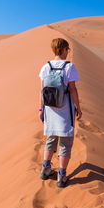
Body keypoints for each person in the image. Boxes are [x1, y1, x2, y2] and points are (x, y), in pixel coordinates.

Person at [38, 37, 82, 188]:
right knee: (65, 143)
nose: (68, 52)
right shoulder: (69, 67)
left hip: (50, 110)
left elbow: (42, 91)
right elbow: (73, 89)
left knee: (50, 139)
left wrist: (41, 109)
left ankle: (45, 169)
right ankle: (61, 177)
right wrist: (78, 107)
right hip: (65, 111)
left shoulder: (46, 67)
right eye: (67, 49)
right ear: (63, 49)